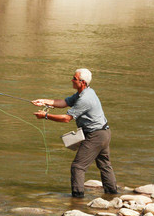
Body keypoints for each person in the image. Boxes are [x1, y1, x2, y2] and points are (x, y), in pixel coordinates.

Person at [31, 68, 118, 198]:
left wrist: (46, 116)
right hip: (104, 133)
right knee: (104, 165)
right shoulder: (83, 92)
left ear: (82, 82)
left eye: (74, 79)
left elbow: (67, 119)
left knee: (78, 166)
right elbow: (65, 102)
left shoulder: (85, 99)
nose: (72, 80)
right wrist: (44, 101)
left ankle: (77, 198)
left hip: (95, 135)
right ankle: (112, 195)